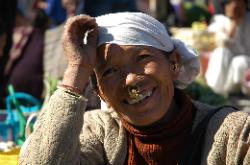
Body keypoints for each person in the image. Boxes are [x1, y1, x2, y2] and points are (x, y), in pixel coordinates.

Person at [19, 12, 250, 165]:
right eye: (109, 71)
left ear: (174, 64)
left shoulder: (234, 135)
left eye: (142, 57)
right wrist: (77, 68)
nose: (130, 80)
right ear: (100, 92)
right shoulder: (98, 133)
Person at [205, 0, 250, 95]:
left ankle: (233, 93)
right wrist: (234, 23)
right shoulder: (218, 21)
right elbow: (222, 44)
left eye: (238, 4)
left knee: (241, 61)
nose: (235, 7)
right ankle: (214, 92)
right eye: (231, 3)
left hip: (243, 70)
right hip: (223, 70)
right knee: (222, 52)